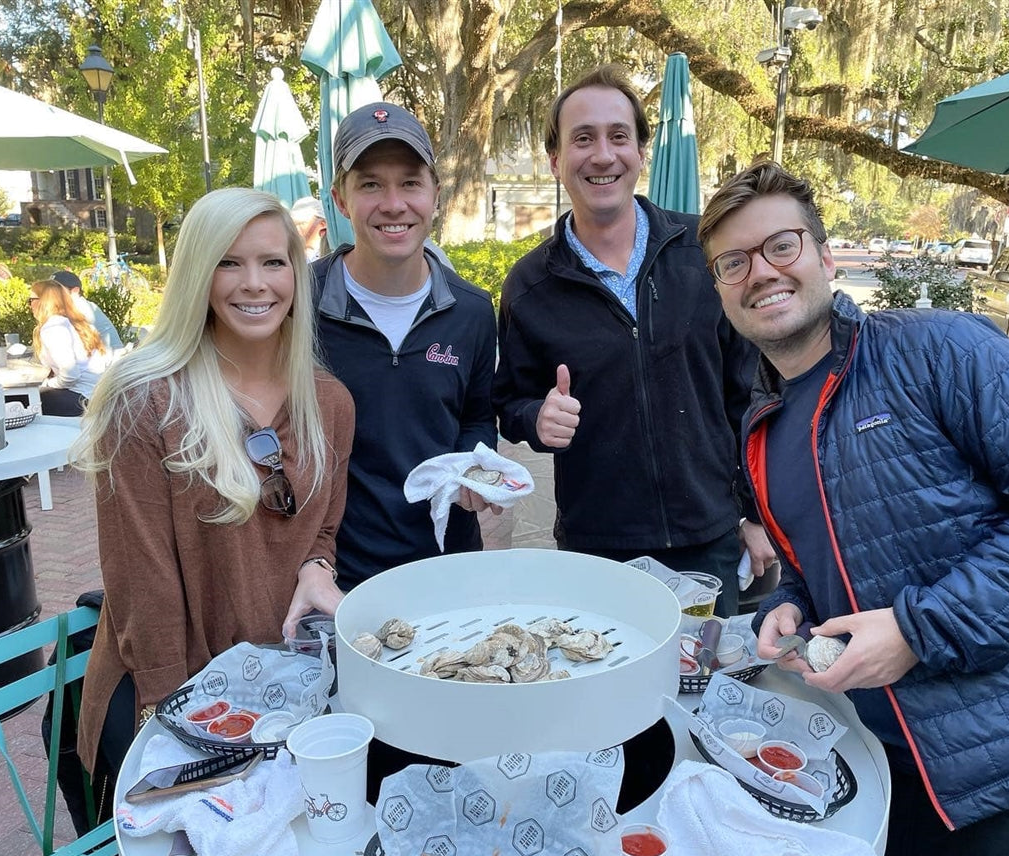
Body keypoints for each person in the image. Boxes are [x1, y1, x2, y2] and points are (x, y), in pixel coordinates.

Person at [697, 161, 1009, 856]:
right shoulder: (762, 426)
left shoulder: (939, 349)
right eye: (733, 263)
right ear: (720, 290)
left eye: (781, 246)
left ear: (825, 256)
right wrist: (797, 604)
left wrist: (917, 631)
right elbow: (826, 556)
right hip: (885, 783)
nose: (760, 274)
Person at [72, 187, 355, 808]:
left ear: (297, 274)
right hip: (177, 692)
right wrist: (172, 720)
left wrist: (316, 565)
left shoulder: (327, 402)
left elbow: (323, 527)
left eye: (273, 262)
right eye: (229, 262)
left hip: (284, 689)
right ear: (197, 273)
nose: (254, 283)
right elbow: (139, 577)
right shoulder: (145, 399)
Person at [491, 65, 774, 616]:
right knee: (603, 695)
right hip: (596, 548)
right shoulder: (530, 285)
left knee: (706, 689)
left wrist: (757, 515)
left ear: (640, 151)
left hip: (709, 538)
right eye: (583, 138)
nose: (603, 155)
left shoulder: (705, 252)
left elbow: (753, 394)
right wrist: (536, 419)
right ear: (555, 161)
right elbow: (509, 403)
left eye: (619, 136)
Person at [310, 101, 497, 592]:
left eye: (411, 182)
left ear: (436, 193)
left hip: (449, 566)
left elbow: (477, 417)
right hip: (338, 577)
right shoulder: (301, 304)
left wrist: (475, 468)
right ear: (341, 199)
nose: (394, 204)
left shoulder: (472, 311)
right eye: (370, 184)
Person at [29, 280, 112, 416]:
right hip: (97, 395)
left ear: (43, 301)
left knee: (20, 402)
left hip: (80, 398)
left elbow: (70, 375)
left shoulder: (54, 327)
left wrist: (48, 384)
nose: (30, 305)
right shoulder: (77, 322)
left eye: (31, 300)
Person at [50, 269, 125, 353]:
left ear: (75, 291)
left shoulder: (78, 308)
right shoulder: (83, 305)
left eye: (57, 290)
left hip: (109, 360)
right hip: (106, 357)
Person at [290, 195, 329, 261]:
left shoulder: (331, 256)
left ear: (322, 224)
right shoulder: (292, 256)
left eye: (301, 223)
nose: (295, 228)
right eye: (293, 224)